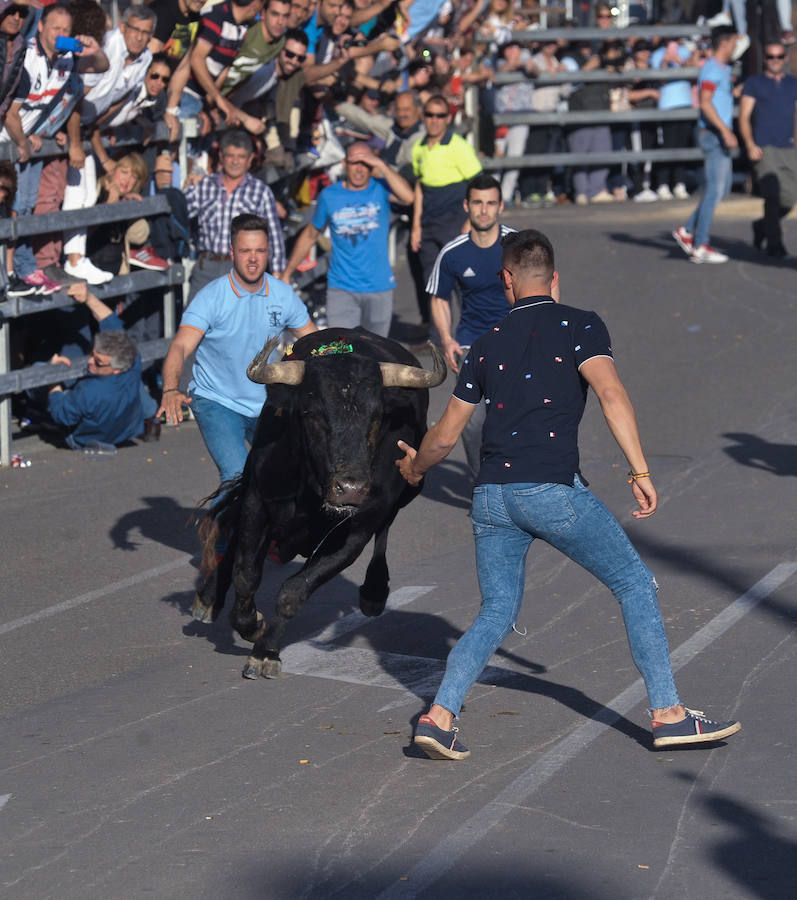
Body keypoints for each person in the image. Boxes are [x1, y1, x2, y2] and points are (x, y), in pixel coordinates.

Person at [397, 229, 742, 759]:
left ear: (505, 281)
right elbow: (610, 393)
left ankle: (440, 715)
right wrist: (639, 470)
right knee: (634, 584)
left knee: (495, 611)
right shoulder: (580, 325)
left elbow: (445, 434)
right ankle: (669, 714)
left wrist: (415, 469)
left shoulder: (486, 344)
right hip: (550, 492)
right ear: (554, 279)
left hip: (491, 497)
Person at [157, 214, 317, 486]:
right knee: (237, 477)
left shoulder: (282, 295)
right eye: (245, 251)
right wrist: (170, 389)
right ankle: (225, 529)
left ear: (268, 252)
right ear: (232, 252)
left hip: (267, 404)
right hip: (217, 400)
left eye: (260, 251)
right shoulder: (211, 297)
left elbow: (316, 343)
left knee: (283, 477)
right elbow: (181, 345)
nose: (253, 259)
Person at [426, 173, 514, 479]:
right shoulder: (452, 253)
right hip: (471, 347)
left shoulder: (518, 246)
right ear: (467, 206)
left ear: (501, 205)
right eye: (478, 203)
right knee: (473, 424)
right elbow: (439, 299)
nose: (484, 210)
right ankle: (483, 486)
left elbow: (548, 289)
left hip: (517, 346)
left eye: (491, 203)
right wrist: (447, 339)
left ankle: (518, 487)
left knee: (516, 422)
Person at [280, 141, 413, 336]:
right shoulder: (330, 195)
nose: (359, 169)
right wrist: (287, 272)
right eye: (354, 163)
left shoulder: (381, 188)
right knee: (343, 352)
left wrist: (382, 165)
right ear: (344, 164)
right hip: (341, 289)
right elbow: (310, 234)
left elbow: (409, 197)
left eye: (365, 163)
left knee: (376, 354)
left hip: (379, 287)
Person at [46, 282, 159, 449]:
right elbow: (112, 323)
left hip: (84, 440)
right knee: (136, 387)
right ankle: (151, 416)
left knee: (42, 370)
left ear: (116, 369)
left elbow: (61, 415)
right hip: (125, 433)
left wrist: (53, 378)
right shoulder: (132, 360)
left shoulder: (87, 391)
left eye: (97, 362)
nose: (90, 361)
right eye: (93, 355)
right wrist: (89, 298)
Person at [182, 129, 286, 299]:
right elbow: (181, 212)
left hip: (245, 269)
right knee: (194, 323)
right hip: (207, 266)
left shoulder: (260, 192)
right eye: (230, 156)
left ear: (250, 160)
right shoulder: (204, 186)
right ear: (221, 157)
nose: (235, 162)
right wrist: (186, 186)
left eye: (241, 157)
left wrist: (277, 276)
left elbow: (273, 237)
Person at [672, 26, 738, 265]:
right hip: (713, 134)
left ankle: (688, 230)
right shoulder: (712, 68)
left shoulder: (720, 69)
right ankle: (699, 243)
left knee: (722, 188)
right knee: (714, 189)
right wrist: (725, 130)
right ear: (726, 43)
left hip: (716, 133)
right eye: (734, 42)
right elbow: (706, 102)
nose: (736, 47)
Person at [410, 93, 482, 289]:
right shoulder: (418, 147)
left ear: (448, 118)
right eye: (430, 115)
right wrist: (416, 226)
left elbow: (480, 185)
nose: (434, 120)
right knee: (433, 286)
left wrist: (470, 221)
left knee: (463, 285)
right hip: (428, 224)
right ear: (423, 116)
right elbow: (420, 186)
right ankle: (437, 322)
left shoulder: (458, 146)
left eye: (440, 115)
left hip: (455, 222)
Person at [738, 41, 797, 259]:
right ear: (765, 59)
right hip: (764, 146)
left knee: (790, 198)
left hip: (789, 146)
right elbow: (744, 117)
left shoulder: (793, 84)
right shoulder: (754, 83)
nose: (775, 61)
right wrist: (750, 144)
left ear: (786, 58)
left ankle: (762, 226)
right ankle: (775, 244)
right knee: (772, 195)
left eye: (779, 56)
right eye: (771, 57)